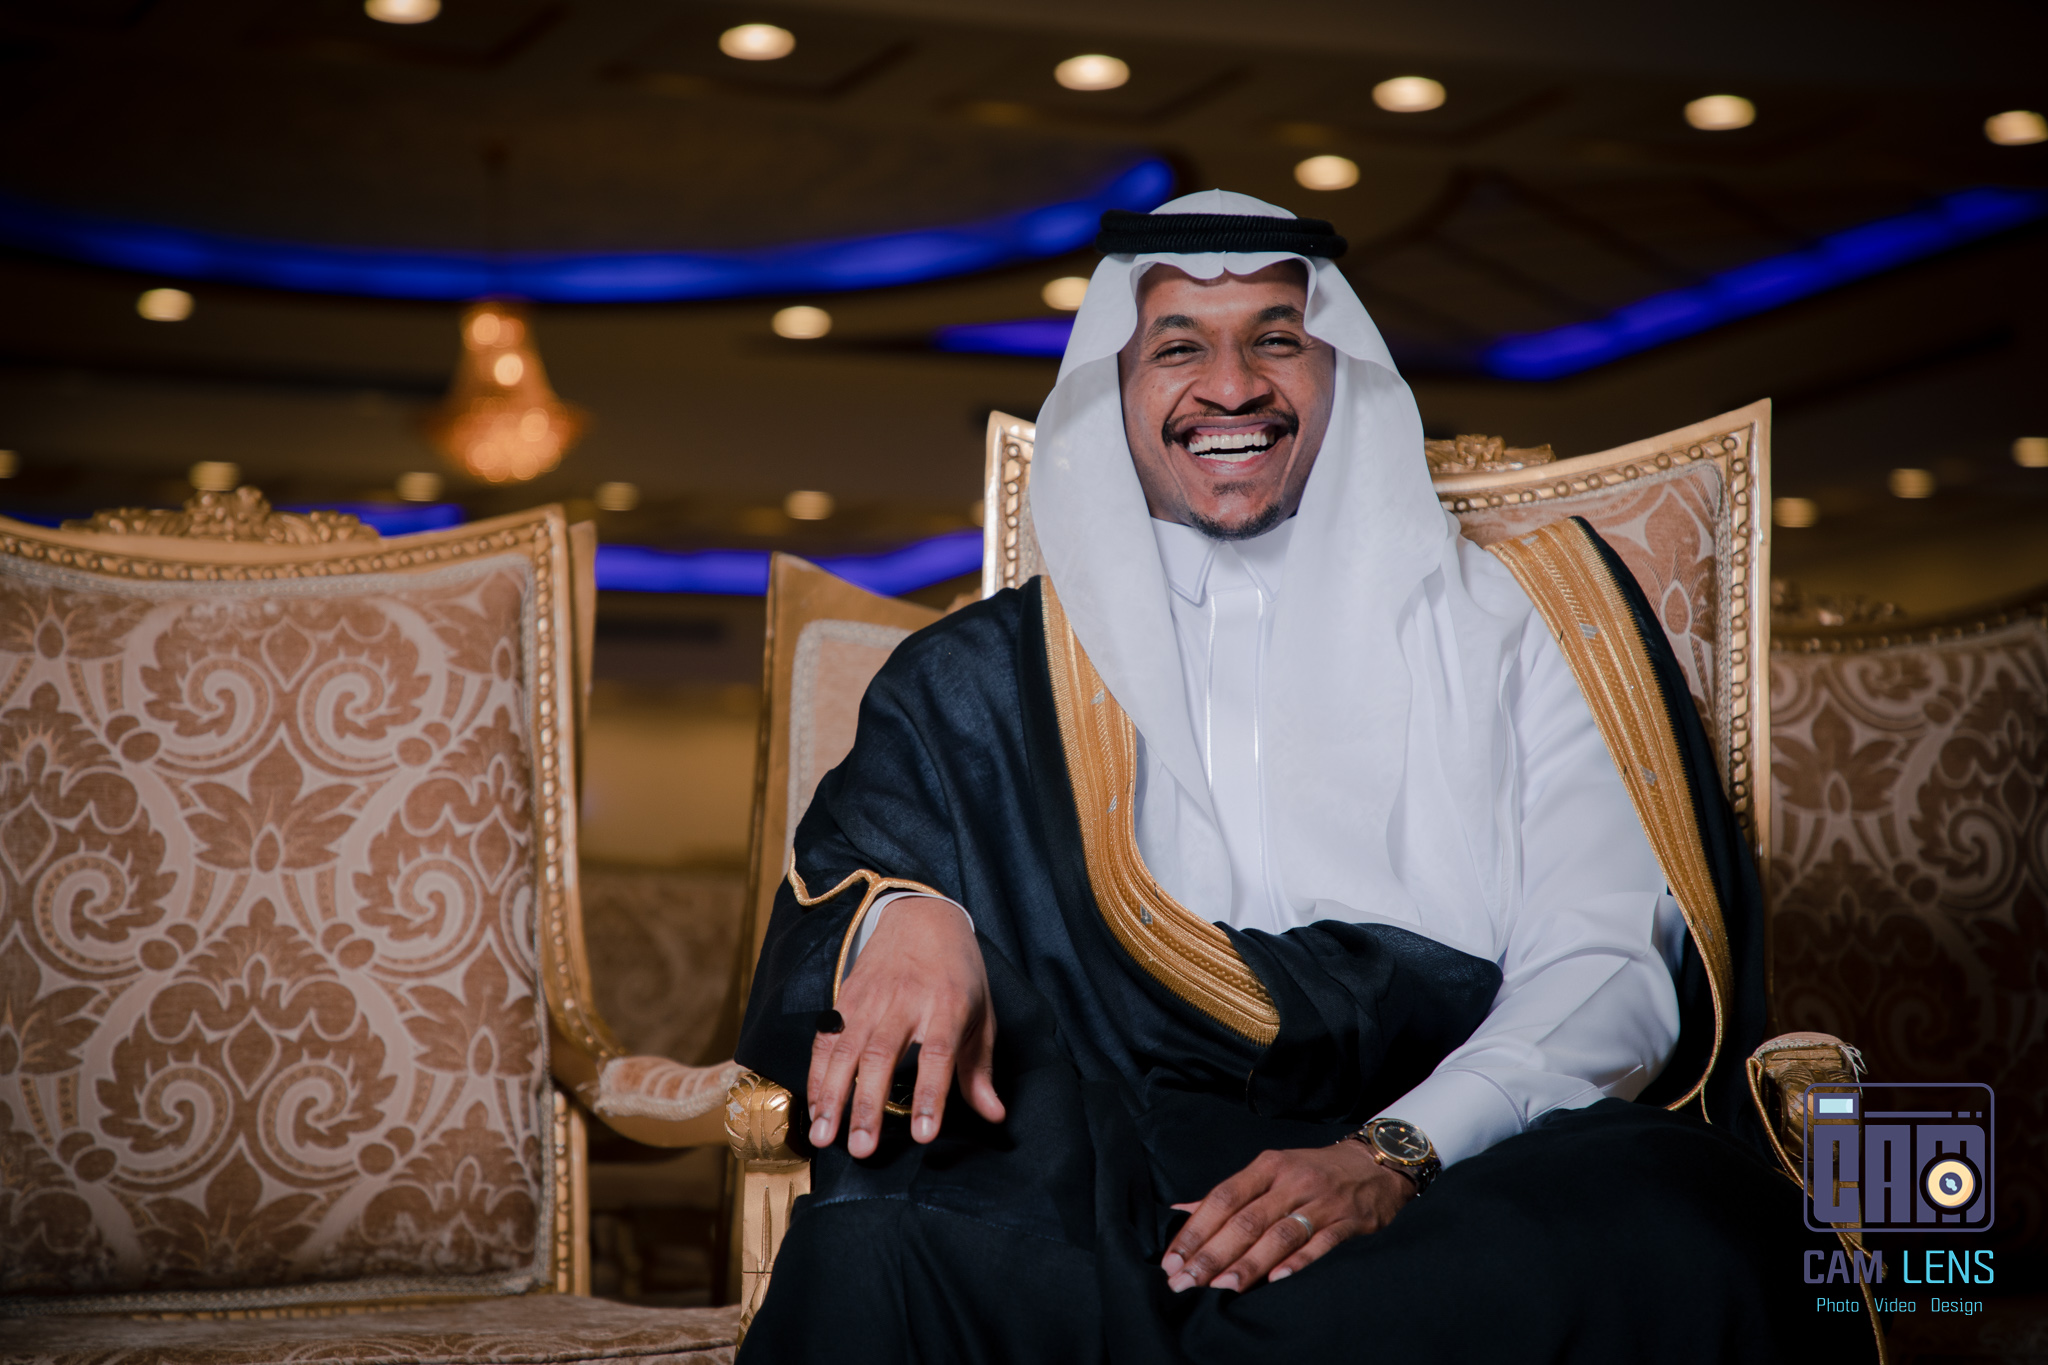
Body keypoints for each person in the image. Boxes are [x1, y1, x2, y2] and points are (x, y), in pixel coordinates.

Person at [733, 191, 1872, 1362]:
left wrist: (1394, 1153)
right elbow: (852, 882)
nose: (1230, 386)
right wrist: (907, 917)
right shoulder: (976, 675)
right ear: (1112, 391)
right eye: (1177, 347)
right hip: (1109, 1156)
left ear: (1343, 372)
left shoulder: (1529, 623)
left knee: (1684, 1235)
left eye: (1275, 338)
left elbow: (1606, 962)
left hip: (1465, 1150)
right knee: (877, 1248)